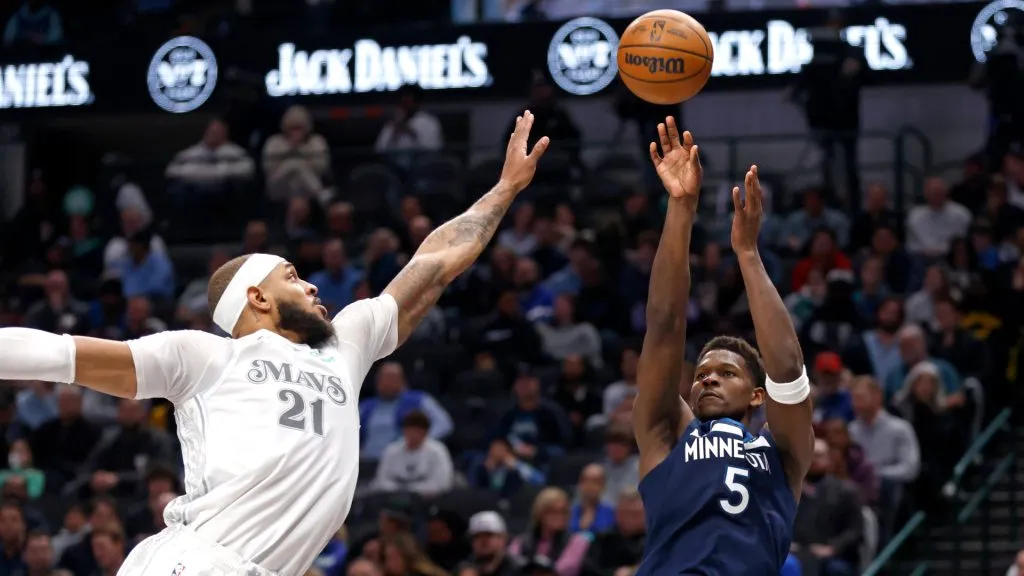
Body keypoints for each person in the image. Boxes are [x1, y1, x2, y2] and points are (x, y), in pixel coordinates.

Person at [0, 112, 550, 575]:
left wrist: (504, 191)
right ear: (257, 297)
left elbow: (432, 267)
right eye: (292, 276)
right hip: (197, 561)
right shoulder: (205, 356)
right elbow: (63, 354)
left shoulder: (345, 346)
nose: (311, 285)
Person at [631, 118, 814, 574]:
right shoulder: (666, 436)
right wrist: (681, 208)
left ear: (757, 395)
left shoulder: (780, 453)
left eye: (727, 373)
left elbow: (788, 371)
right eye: (701, 374)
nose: (708, 378)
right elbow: (664, 324)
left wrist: (748, 255)